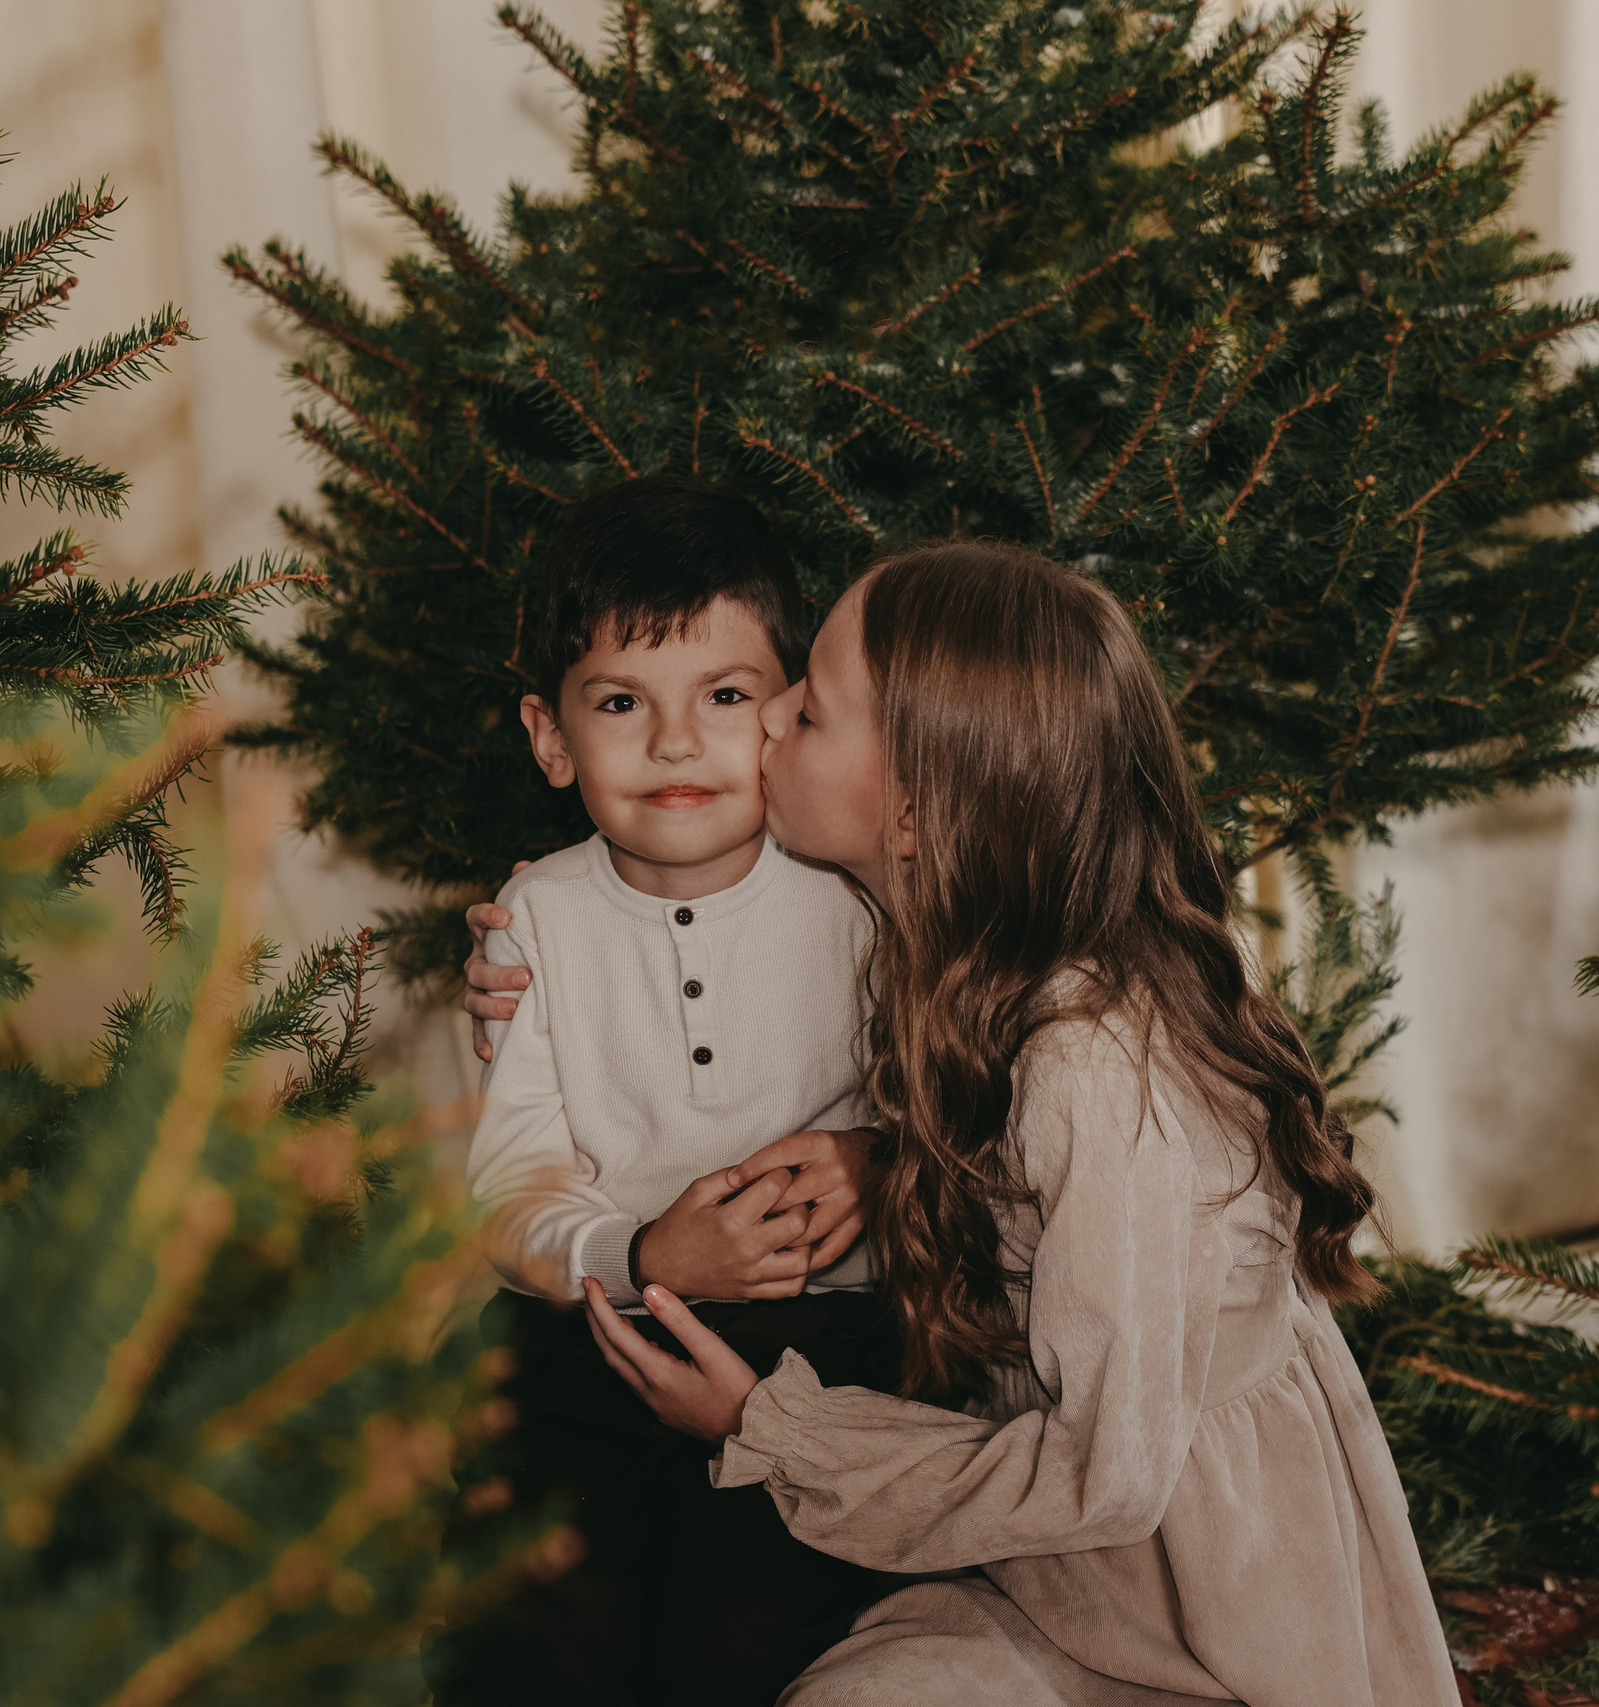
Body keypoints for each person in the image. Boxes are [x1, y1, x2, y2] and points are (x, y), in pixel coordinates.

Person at [491, 538, 1466, 1706]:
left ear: (910, 810)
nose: (763, 720)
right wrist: (547, 935)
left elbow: (1109, 1475)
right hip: (1052, 1559)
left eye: (805, 710)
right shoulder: (956, 947)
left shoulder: (1097, 1068)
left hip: (1193, 1610)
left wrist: (774, 1427)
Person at [429, 476, 900, 1707]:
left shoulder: (856, 902)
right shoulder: (541, 918)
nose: (676, 744)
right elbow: (512, 1194)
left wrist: (875, 1163)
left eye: (726, 698)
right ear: (550, 736)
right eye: (622, 703)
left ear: (787, 716)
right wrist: (643, 1255)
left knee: (737, 1656)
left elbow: (968, 1113)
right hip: (596, 1351)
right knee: (533, 1651)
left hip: (822, 1359)